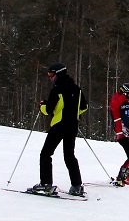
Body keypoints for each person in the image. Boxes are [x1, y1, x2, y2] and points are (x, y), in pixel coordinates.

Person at [30, 63, 88, 197]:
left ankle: (45, 184)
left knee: (46, 154)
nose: (50, 78)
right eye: (49, 75)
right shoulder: (77, 89)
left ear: (59, 74)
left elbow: (49, 110)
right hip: (73, 126)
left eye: (52, 75)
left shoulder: (57, 89)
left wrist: (42, 106)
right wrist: (74, 113)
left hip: (59, 125)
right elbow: (84, 107)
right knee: (69, 155)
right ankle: (77, 186)